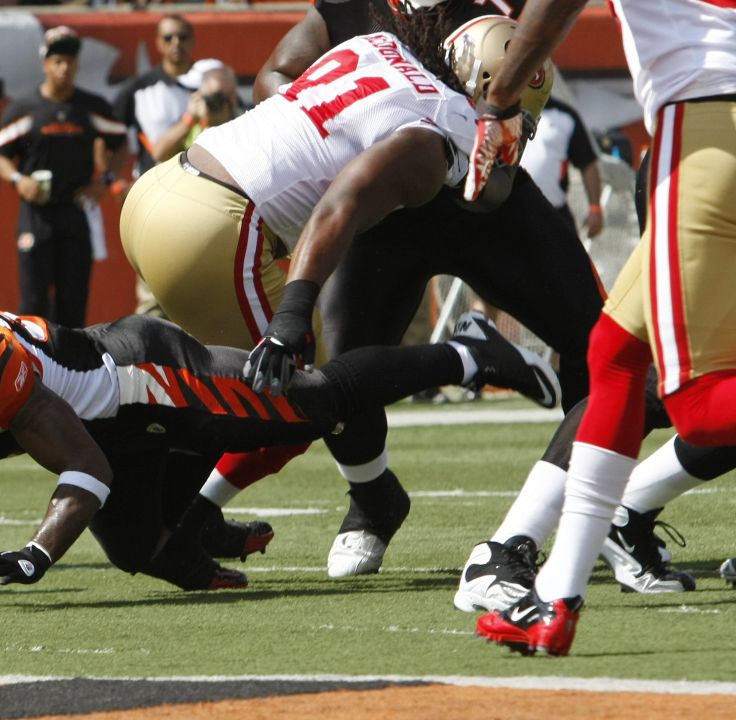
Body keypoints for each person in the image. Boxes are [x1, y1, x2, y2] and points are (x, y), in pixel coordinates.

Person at [0, 271, 559, 590]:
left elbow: (82, 469)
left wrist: (35, 553)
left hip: (145, 384)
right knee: (145, 557)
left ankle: (465, 351)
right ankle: (204, 533)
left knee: (308, 400)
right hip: (107, 422)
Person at [156, 0, 607, 580]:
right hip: (377, 207)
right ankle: (372, 502)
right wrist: (330, 128)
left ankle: (589, 509)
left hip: (482, 190)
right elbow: (278, 74)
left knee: (600, 345)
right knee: (337, 377)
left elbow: (489, 186)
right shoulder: (356, 8)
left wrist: (487, 128)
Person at [465, 0, 736, 657]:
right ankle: (557, 598)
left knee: (700, 408)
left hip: (709, 118)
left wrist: (500, 95)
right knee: (616, 352)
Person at [0, 26, 128, 328]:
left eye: (70, 60)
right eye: (57, 61)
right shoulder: (25, 109)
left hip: (75, 212)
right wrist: (18, 180)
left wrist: (104, 182)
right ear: (45, 65)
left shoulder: (91, 107)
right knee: (33, 302)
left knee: (73, 301)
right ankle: (33, 366)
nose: (64, 67)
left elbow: (121, 143)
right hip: (36, 214)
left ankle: (73, 370)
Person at [112, 15, 198, 318]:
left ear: (194, 40)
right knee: (154, 295)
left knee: (199, 293)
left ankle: (201, 366)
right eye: (168, 38)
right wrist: (114, 181)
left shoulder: (210, 84)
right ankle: (150, 365)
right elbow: (108, 138)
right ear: (158, 45)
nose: (177, 44)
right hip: (157, 199)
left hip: (203, 202)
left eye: (183, 36)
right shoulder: (141, 89)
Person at [520, 96, 605, 239]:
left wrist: (595, 208)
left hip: (553, 213)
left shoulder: (566, 116)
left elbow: (587, 164)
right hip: (510, 211)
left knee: (571, 259)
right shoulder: (502, 110)